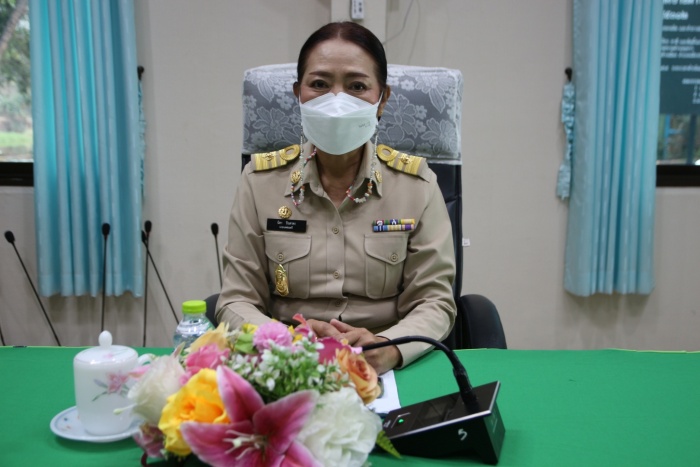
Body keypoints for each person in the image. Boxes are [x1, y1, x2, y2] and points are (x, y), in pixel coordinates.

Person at [217, 22, 456, 374]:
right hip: (287, 361)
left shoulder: (417, 186)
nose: (337, 101)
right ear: (298, 94)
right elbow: (236, 299)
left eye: (357, 86)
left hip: (384, 363)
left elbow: (434, 301)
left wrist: (389, 347)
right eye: (319, 84)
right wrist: (285, 342)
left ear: (382, 99)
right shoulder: (259, 182)